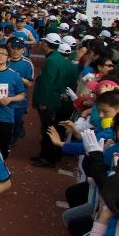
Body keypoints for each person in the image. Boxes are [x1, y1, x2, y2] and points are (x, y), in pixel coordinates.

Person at [32, 33, 78, 167]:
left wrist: (43, 102)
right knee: (52, 129)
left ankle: (48, 158)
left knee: (47, 130)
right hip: (58, 100)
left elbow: (48, 83)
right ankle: (48, 155)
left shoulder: (52, 60)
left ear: (46, 44)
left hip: (50, 101)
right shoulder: (60, 59)